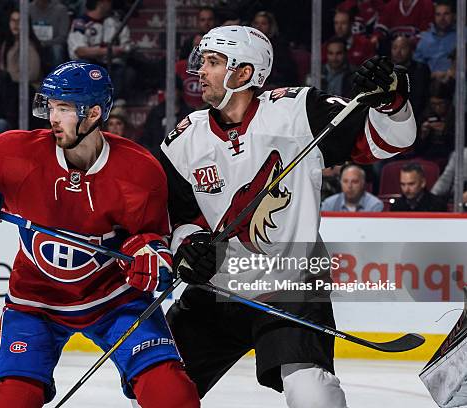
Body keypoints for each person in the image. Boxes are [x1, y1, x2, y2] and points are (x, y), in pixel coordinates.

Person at [161, 25, 415, 407]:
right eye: (203, 61)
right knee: (159, 389)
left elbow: (388, 142)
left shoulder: (298, 110)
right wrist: (187, 246)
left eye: (213, 62)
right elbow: (177, 217)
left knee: (312, 393)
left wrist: (391, 100)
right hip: (218, 284)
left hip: (292, 280)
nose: (201, 71)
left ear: (243, 73)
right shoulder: (182, 141)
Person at [0, 62, 200, 408]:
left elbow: (150, 237)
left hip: (115, 301)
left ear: (93, 113)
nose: (52, 118)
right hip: (36, 303)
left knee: (172, 395)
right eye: (50, 106)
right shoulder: (13, 152)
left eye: (63, 108)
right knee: (11, 400)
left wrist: (150, 255)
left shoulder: (139, 169)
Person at [414, 1, 459, 80]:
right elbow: (417, 66)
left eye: (446, 14)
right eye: (438, 14)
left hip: (454, 81)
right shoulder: (425, 38)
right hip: (429, 82)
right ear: (434, 17)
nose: (442, 18)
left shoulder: (462, 35)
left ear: (453, 15)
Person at [390, 35, 430, 123]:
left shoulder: (421, 70)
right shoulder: (385, 70)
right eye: (395, 48)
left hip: (414, 116)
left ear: (411, 51)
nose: (398, 52)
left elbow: (421, 98)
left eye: (403, 48)